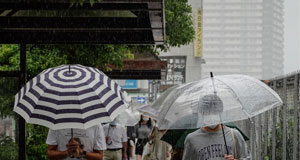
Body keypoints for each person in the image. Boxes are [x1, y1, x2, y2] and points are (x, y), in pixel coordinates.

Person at [182, 94, 250, 160]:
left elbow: (247, 157)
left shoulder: (234, 135)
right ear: (202, 113)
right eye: (207, 112)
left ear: (220, 112)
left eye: (214, 112)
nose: (211, 116)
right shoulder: (191, 139)